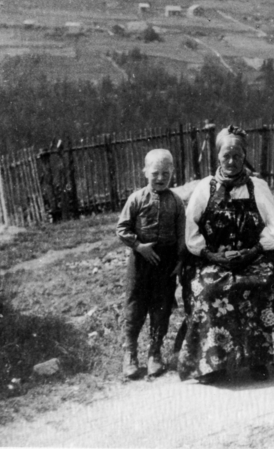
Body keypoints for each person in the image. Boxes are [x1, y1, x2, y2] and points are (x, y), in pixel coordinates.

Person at [178, 126, 274, 384]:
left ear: (244, 156)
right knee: (209, 291)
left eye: (237, 155)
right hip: (213, 259)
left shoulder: (257, 186)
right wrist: (213, 256)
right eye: (226, 155)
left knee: (263, 285)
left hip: (254, 258)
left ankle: (259, 359)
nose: (231, 161)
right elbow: (191, 232)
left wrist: (254, 252)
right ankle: (213, 364)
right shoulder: (205, 188)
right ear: (217, 156)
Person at [116, 149, 187, 379]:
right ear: (145, 171)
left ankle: (155, 353)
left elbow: (182, 235)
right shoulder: (136, 199)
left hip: (165, 264)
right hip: (141, 261)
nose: (160, 178)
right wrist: (139, 246)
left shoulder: (176, 202)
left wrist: (179, 261)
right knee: (135, 306)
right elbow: (122, 229)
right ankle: (130, 354)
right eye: (155, 173)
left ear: (172, 173)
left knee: (161, 307)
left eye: (165, 173)